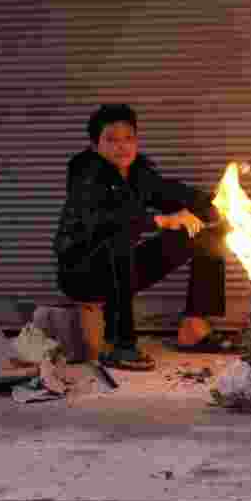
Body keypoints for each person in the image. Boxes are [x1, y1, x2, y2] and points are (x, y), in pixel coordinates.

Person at [53, 104, 231, 371]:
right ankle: (120, 345)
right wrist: (160, 220)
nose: (122, 147)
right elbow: (103, 220)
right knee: (119, 237)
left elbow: (169, 192)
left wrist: (217, 206)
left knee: (208, 233)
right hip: (83, 272)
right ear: (94, 145)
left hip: (121, 268)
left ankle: (194, 327)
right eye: (111, 139)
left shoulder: (139, 173)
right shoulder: (85, 175)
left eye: (128, 138)